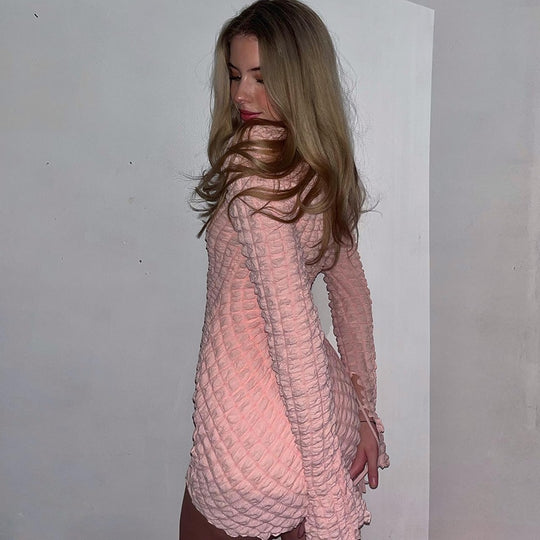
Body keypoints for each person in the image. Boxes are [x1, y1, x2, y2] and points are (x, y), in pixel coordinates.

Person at [179, 1, 389, 539]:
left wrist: (328, 495)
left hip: (247, 437)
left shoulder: (253, 169)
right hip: (320, 420)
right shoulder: (320, 169)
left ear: (299, 79)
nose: (241, 94)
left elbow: (293, 330)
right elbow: (353, 303)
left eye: (261, 77)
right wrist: (363, 411)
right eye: (235, 76)